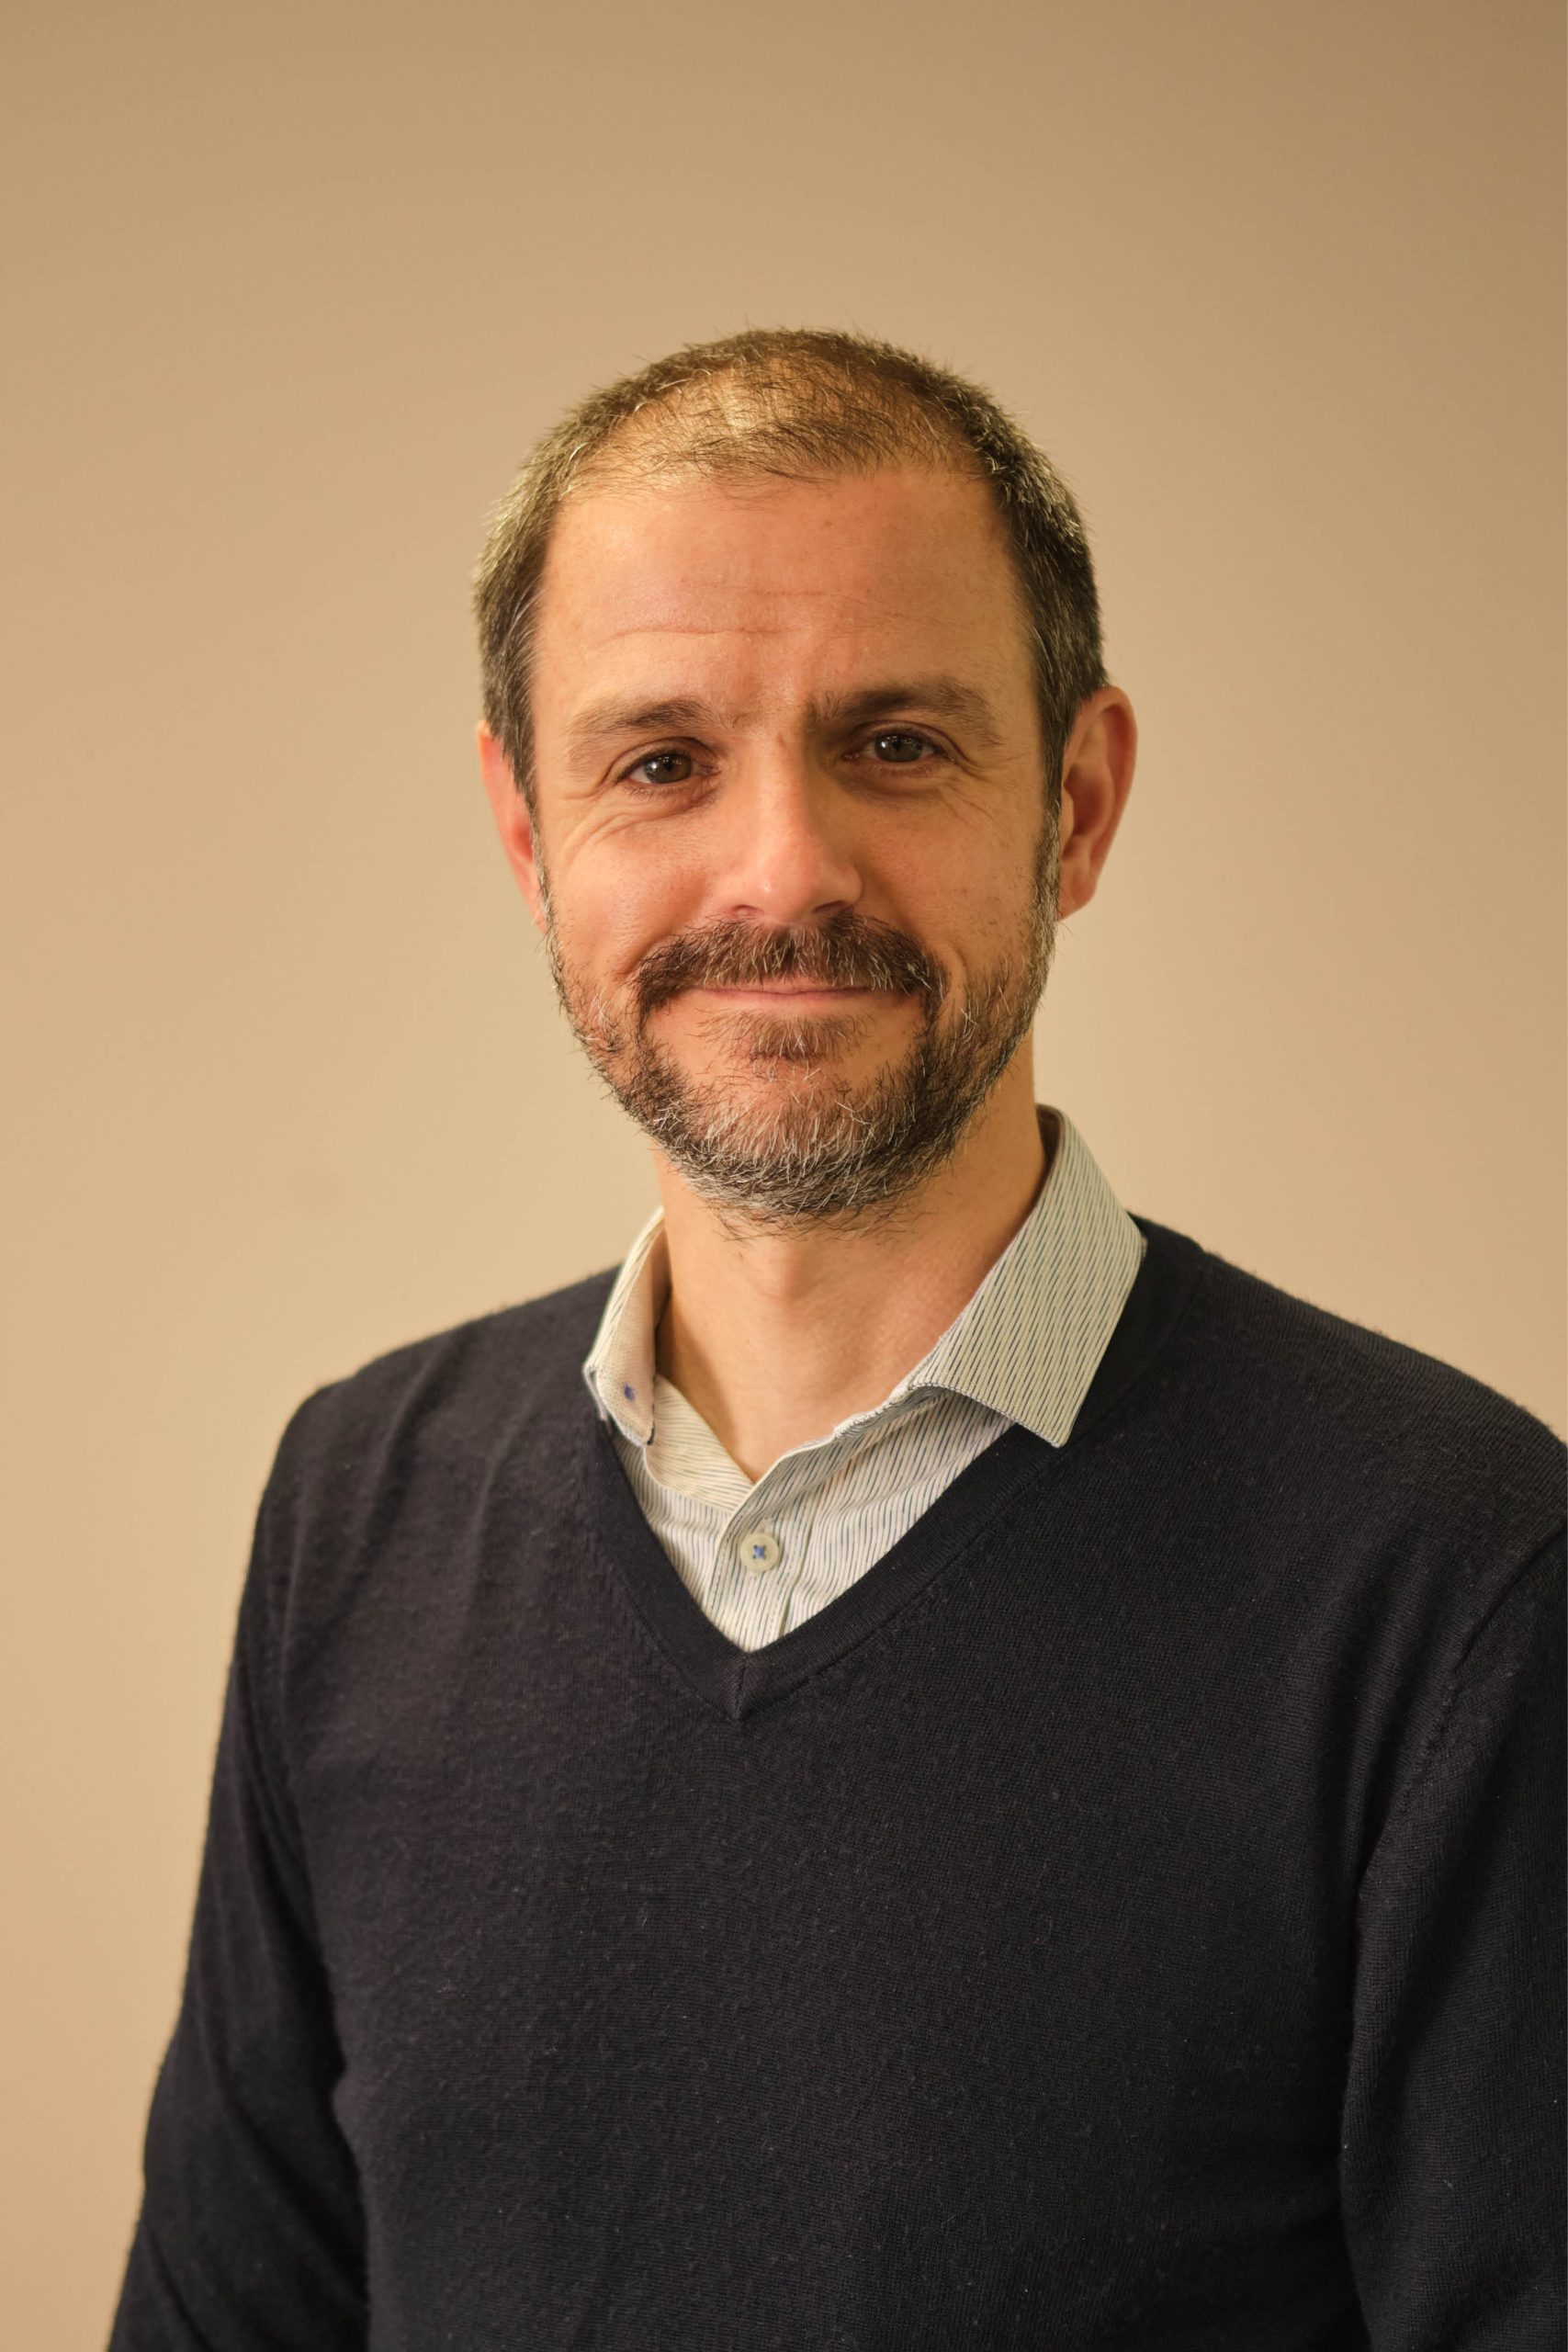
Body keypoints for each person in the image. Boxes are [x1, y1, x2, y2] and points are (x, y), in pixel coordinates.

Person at [109, 328, 1564, 2349]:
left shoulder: (1459, 1577)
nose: (779, 869)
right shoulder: (354, 1505)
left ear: (1073, 801)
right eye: (657, 761)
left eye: (893, 743)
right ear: (528, 834)